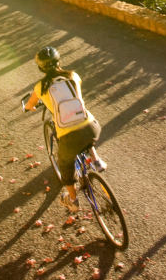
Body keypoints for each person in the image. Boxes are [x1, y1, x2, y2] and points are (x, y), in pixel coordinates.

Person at [23, 46, 106, 213]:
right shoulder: (73, 76)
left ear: (40, 68)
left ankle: (73, 200)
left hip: (69, 137)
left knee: (65, 165)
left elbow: (30, 104)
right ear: (59, 61)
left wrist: (29, 108)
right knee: (83, 129)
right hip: (92, 127)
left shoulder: (41, 87)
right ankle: (95, 158)